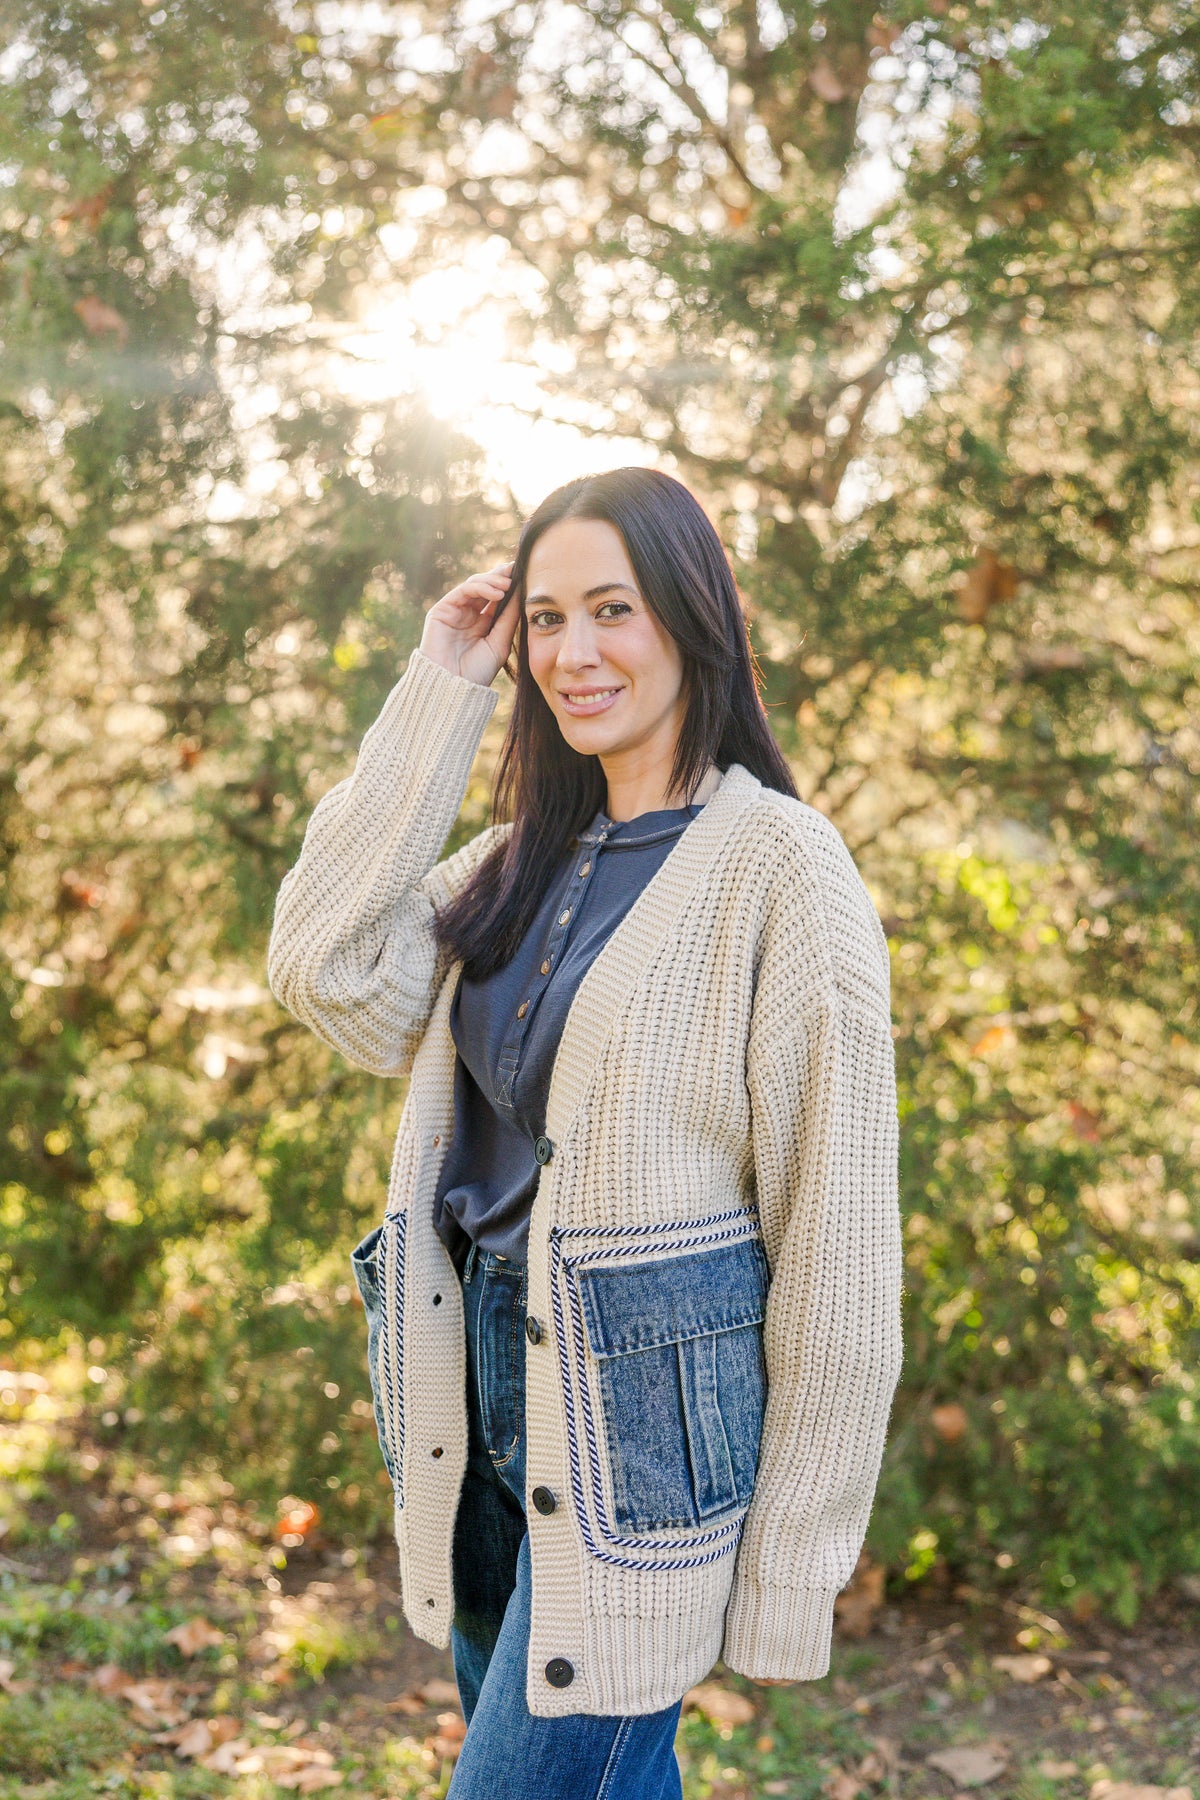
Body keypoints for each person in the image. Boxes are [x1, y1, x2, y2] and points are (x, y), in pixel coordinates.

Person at [266, 467, 903, 1798]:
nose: (572, 651)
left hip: (641, 1441)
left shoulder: (782, 866)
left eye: (611, 608)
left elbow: (836, 1243)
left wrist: (793, 1564)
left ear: (692, 620)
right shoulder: (514, 861)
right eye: (544, 619)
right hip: (473, 1402)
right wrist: (443, 683)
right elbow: (326, 972)